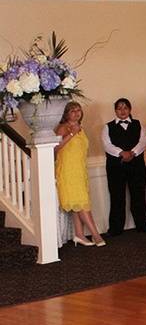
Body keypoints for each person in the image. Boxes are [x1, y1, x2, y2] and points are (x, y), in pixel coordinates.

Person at [54, 102, 106, 247]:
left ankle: (79, 234)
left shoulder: (80, 128)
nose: (76, 113)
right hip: (67, 169)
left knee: (78, 202)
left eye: (78, 110)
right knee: (81, 202)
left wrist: (76, 131)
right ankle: (96, 234)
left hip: (79, 168)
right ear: (66, 114)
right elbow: (56, 148)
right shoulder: (63, 127)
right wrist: (71, 134)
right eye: (72, 111)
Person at [102, 98, 146, 236]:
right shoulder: (107, 127)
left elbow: (143, 142)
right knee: (117, 196)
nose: (122, 111)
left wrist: (133, 152)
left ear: (130, 109)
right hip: (115, 167)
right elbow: (107, 145)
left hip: (137, 165)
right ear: (115, 110)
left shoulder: (139, 124)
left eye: (125, 108)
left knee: (138, 195)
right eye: (119, 108)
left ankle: (143, 225)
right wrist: (121, 153)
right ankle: (115, 229)